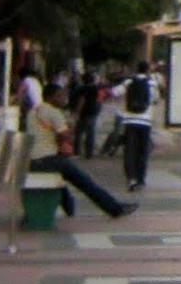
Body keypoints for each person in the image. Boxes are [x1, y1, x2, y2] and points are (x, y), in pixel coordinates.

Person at [28, 83, 134, 218]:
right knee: (84, 182)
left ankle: (69, 210)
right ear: (50, 97)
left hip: (33, 161)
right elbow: (66, 137)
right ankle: (115, 209)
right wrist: (73, 123)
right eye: (60, 96)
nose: (64, 99)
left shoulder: (33, 111)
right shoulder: (53, 113)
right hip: (49, 159)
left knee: (61, 182)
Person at [121, 61, 156, 191]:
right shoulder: (151, 84)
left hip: (129, 121)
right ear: (147, 70)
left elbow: (115, 92)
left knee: (129, 151)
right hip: (145, 122)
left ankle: (131, 179)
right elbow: (155, 99)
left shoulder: (128, 82)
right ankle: (141, 179)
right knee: (142, 152)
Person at [71, 69, 102, 159]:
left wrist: (77, 112)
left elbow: (82, 101)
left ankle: (77, 152)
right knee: (91, 133)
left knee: (79, 133)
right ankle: (89, 153)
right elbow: (100, 100)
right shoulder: (97, 88)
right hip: (93, 112)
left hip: (84, 112)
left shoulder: (82, 89)